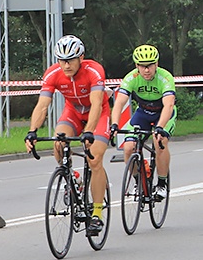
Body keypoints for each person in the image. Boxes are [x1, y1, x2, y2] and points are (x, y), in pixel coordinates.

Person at [24, 34, 112, 236]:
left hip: (97, 113)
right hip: (73, 112)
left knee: (95, 158)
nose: (65, 65)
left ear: (81, 57)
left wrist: (89, 131)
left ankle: (97, 213)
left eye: (70, 60)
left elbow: (97, 103)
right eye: (61, 60)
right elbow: (42, 105)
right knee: (58, 142)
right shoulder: (53, 73)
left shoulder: (94, 70)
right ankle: (74, 178)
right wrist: (32, 132)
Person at [110, 44, 176, 200]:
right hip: (143, 114)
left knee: (159, 140)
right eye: (142, 66)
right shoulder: (131, 78)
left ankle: (161, 183)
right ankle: (139, 181)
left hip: (164, 113)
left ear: (156, 64)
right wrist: (114, 124)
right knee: (128, 148)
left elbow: (169, 105)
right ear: (136, 66)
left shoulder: (165, 77)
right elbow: (119, 103)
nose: (146, 70)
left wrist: (160, 127)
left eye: (150, 66)